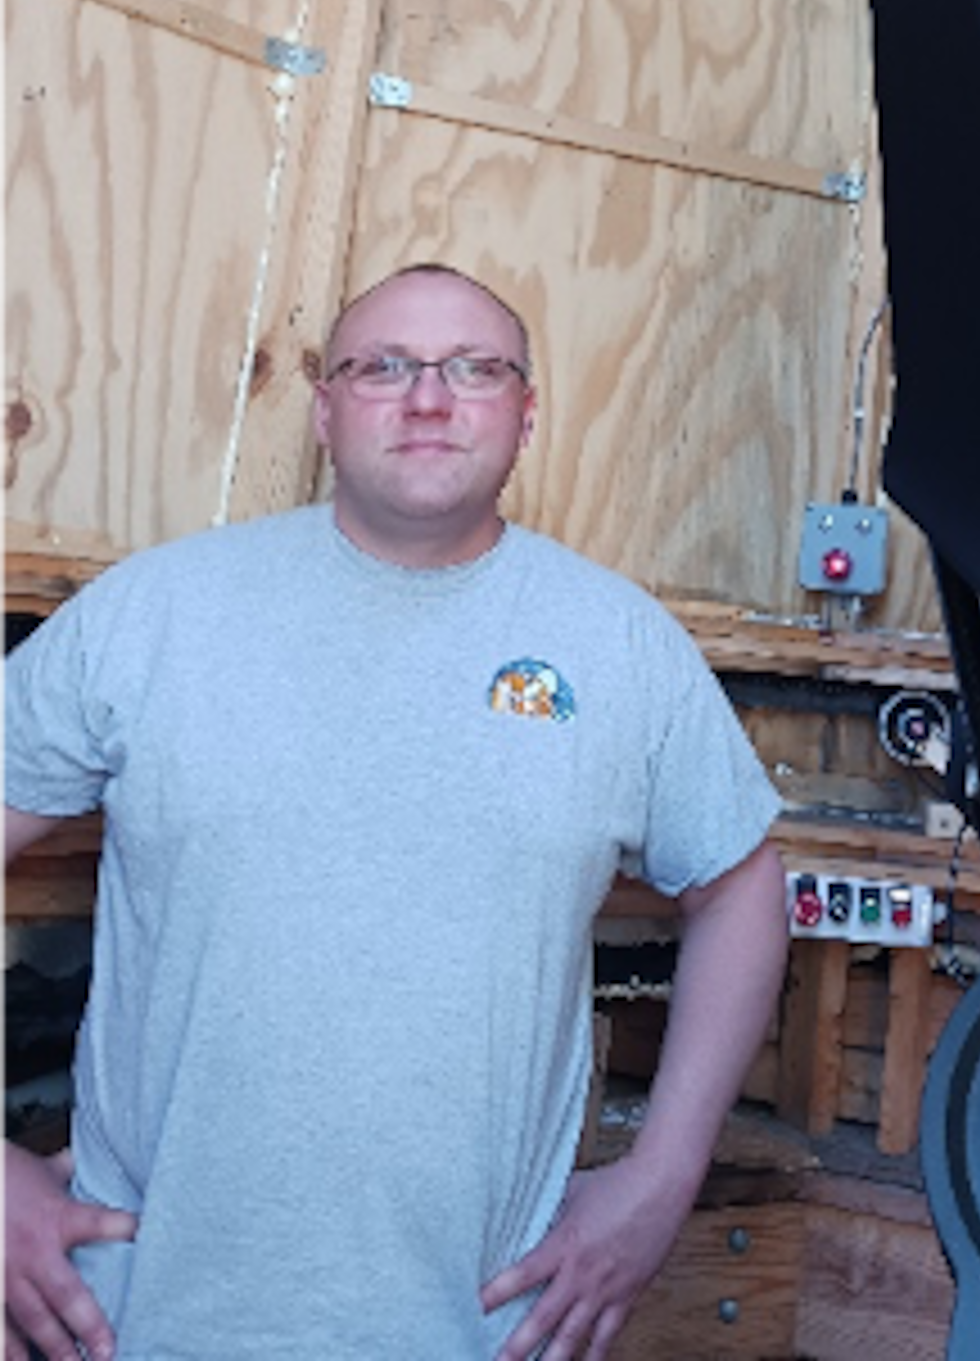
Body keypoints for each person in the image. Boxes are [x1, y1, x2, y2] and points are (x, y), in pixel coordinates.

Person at [0, 263, 789, 1361]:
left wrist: (664, 1175)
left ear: (525, 414)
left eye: (474, 368)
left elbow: (744, 888)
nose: (428, 397)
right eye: (384, 368)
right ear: (325, 413)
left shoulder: (618, 646)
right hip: (145, 1317)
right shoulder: (155, 613)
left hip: (478, 1326)